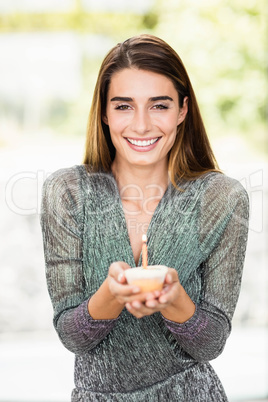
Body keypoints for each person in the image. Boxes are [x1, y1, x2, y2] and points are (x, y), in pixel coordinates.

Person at [40, 34, 249, 401]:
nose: (140, 125)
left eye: (159, 105)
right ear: (103, 112)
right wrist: (111, 295)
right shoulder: (67, 192)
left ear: (182, 110)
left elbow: (212, 342)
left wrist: (173, 299)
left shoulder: (221, 198)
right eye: (123, 106)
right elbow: (72, 335)